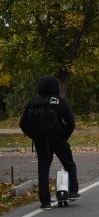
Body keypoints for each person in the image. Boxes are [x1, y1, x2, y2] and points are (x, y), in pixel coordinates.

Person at [19, 76, 79, 209]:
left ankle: (45, 201)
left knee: (43, 169)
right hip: (58, 138)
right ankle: (73, 191)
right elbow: (71, 122)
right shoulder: (60, 101)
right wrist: (64, 136)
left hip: (41, 141)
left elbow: (22, 123)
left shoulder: (33, 102)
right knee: (69, 163)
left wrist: (34, 136)